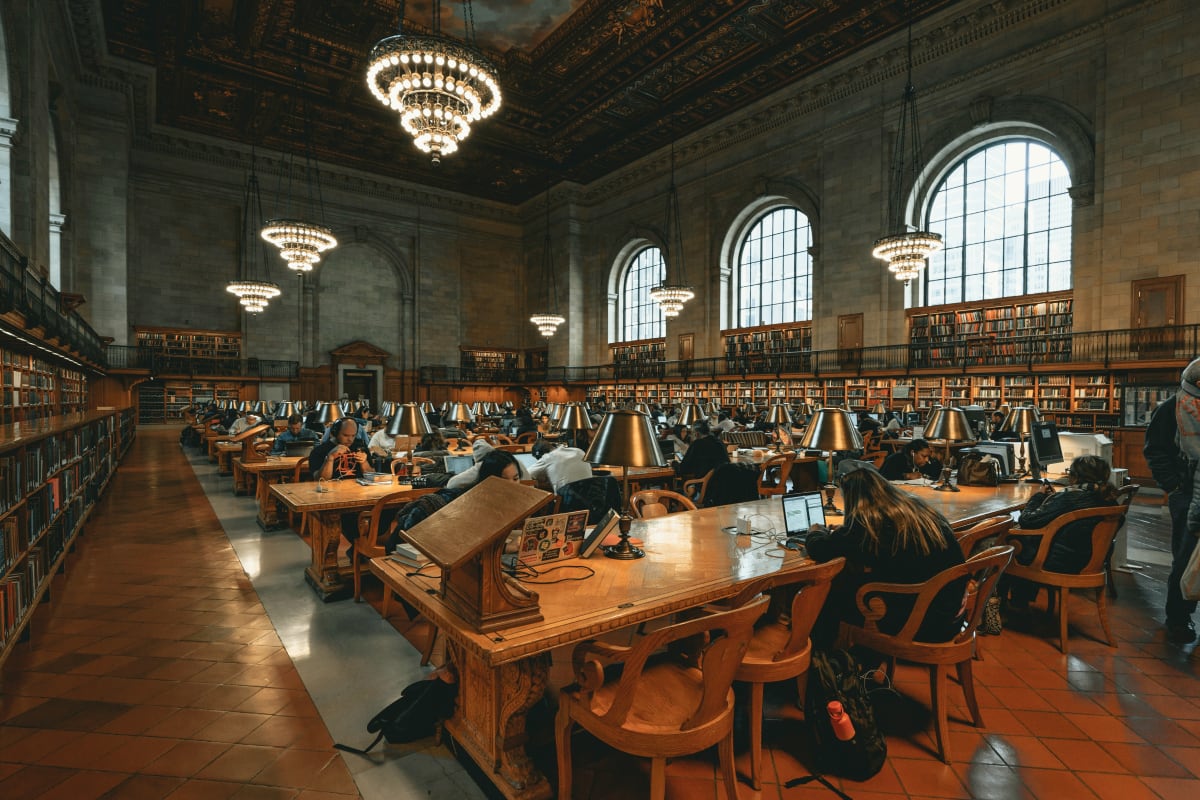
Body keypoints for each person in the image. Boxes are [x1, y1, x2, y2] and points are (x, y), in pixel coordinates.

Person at [805, 464, 967, 647]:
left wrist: (815, 531)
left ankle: (822, 652)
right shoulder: (916, 508)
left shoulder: (869, 524)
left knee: (830, 586)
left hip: (922, 624)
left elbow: (820, 549)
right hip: (950, 614)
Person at [1002, 455, 1121, 609]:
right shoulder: (1109, 498)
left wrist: (1038, 496)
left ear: (1075, 477)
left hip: (1059, 562)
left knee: (1008, 540)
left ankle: (1005, 604)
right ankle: (1019, 603)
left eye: (1069, 473)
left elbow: (1028, 520)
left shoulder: (1069, 498)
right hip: (1091, 560)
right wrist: (1053, 500)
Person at [1145, 357, 1200, 643]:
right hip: (1188, 494)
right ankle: (1179, 618)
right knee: (1184, 556)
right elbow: (1155, 449)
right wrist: (1175, 486)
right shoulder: (1172, 408)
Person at [528, 440, 593, 492]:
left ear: (541, 456)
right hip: (591, 499)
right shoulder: (579, 451)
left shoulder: (548, 457)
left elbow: (526, 474)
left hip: (568, 503)